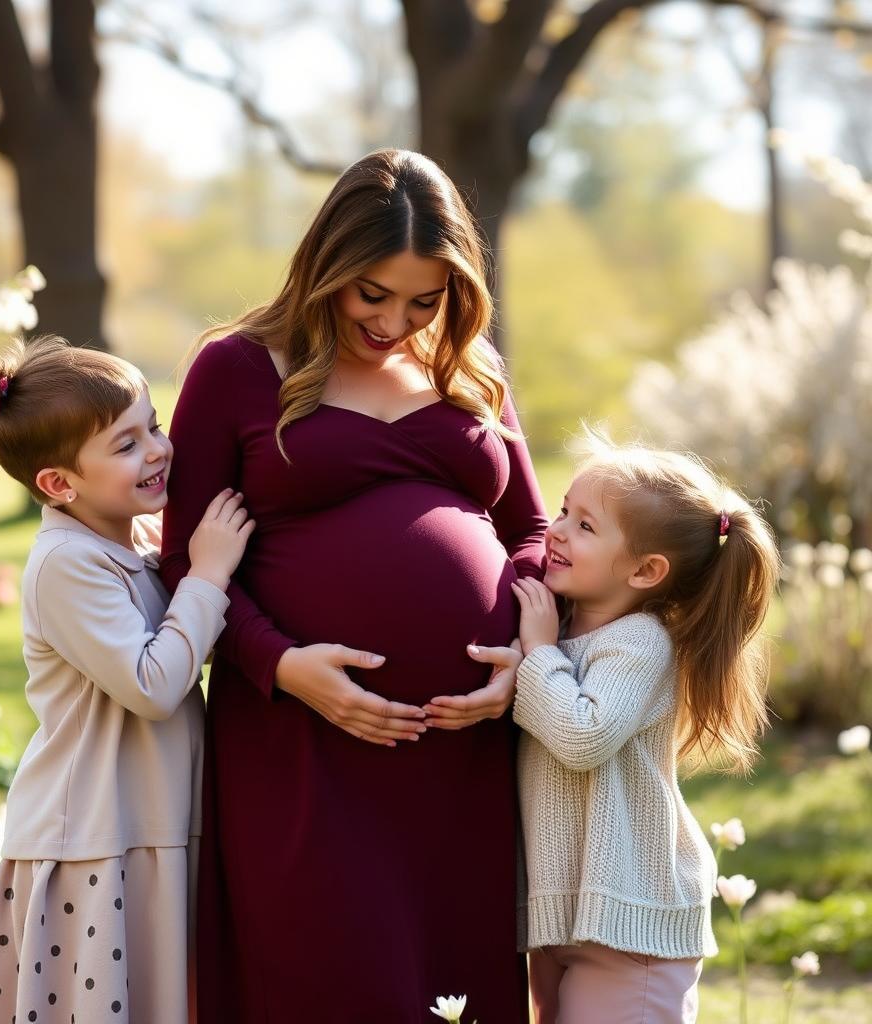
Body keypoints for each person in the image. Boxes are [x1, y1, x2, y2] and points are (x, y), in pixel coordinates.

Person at [160, 148, 549, 1023]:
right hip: (303, 740)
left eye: (424, 299)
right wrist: (283, 665)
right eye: (372, 292)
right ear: (326, 264)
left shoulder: (471, 368)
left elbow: (529, 530)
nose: (394, 321)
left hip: (461, 753)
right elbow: (187, 562)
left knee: (456, 983)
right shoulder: (238, 368)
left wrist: (521, 657)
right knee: (330, 973)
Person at [0, 336, 252, 1023]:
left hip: (150, 817)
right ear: (59, 484)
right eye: (125, 445)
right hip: (95, 833)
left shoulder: (133, 543)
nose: (156, 449)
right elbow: (152, 684)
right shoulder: (67, 563)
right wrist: (207, 575)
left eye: (153, 425)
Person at [470, 431, 780, 1024]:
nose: (556, 530)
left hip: (631, 928)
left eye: (585, 526)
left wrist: (534, 657)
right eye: (564, 510)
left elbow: (583, 736)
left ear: (645, 570)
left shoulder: (640, 644)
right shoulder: (562, 629)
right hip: (567, 916)